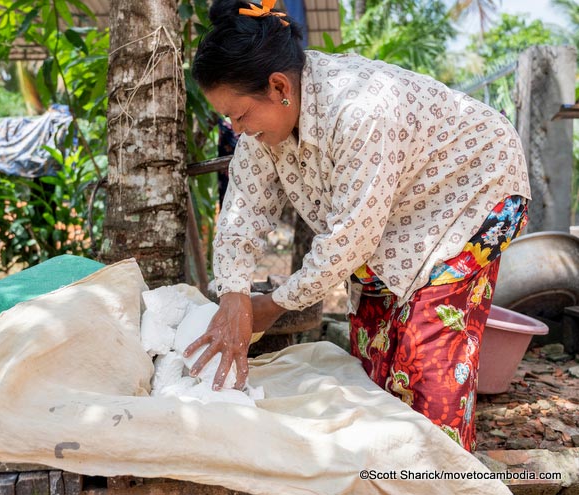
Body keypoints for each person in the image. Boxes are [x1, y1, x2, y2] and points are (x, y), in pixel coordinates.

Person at [184, 0, 530, 452]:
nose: (235, 127)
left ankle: (440, 476)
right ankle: (383, 469)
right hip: (395, 214)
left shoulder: (358, 110)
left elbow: (349, 239)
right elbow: (240, 214)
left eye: (240, 114)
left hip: (472, 193)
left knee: (427, 360)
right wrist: (232, 293)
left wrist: (268, 306)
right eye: (227, 116)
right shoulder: (261, 130)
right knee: (375, 361)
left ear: (278, 86)